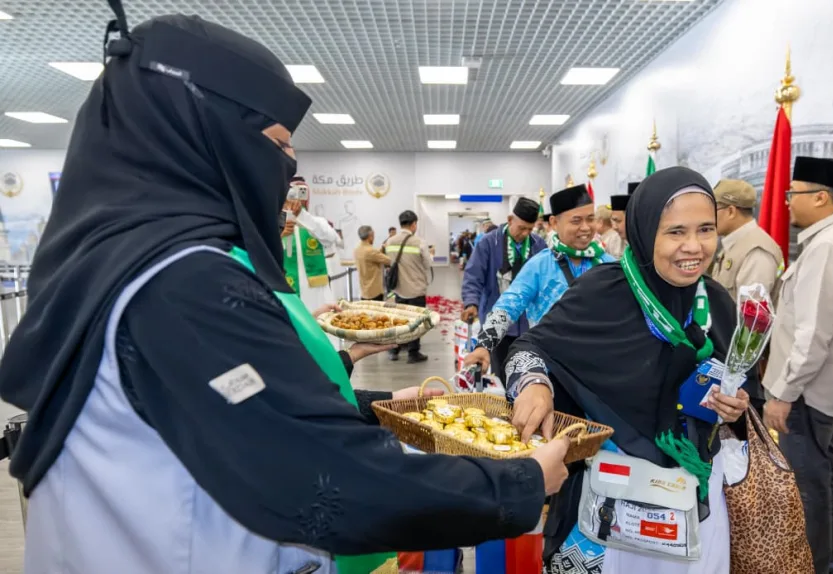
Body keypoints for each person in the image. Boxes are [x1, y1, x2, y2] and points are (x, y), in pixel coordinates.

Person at [0, 10, 571, 574]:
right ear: (208, 139)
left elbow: (239, 411)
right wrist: (518, 483)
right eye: (275, 144)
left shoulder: (124, 258)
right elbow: (321, 476)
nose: (288, 168)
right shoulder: (183, 285)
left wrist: (376, 410)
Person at [505, 167, 751, 574]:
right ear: (644, 230)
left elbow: (740, 392)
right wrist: (535, 383)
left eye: (706, 229)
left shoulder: (717, 303)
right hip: (611, 496)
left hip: (696, 498)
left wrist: (735, 407)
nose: (694, 246)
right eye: (675, 232)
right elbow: (528, 348)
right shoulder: (604, 292)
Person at [762, 156, 833, 574]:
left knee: (808, 488)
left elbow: (812, 336)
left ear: (820, 198)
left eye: (792, 193)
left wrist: (783, 395)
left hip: (810, 394)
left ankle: (813, 566)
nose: (785, 203)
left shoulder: (828, 246)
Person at [463, 185, 614, 378]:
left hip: (598, 369)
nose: (585, 227)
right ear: (554, 222)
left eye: (590, 219)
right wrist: (484, 345)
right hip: (550, 369)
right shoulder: (540, 265)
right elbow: (508, 305)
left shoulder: (608, 265)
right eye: (576, 221)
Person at [461, 198, 546, 378]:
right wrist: (471, 303)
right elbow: (474, 275)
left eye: (530, 229)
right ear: (510, 220)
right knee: (501, 371)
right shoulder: (489, 243)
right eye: (522, 228)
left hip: (529, 324)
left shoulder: (538, 245)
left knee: (528, 372)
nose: (525, 233)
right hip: (497, 321)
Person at [711, 179, 783, 300]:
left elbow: (752, 315)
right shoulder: (735, 244)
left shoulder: (756, 252)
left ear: (730, 211)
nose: (708, 217)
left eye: (712, 210)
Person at [280, 175, 341, 311]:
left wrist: (301, 215)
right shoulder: (276, 223)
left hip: (316, 290)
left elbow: (330, 237)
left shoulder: (316, 222)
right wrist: (281, 235)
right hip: (287, 286)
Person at [385, 210, 433, 363]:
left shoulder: (390, 242)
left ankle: (394, 349)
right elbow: (427, 264)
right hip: (416, 289)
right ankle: (413, 353)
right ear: (413, 224)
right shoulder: (419, 242)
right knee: (416, 321)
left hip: (399, 288)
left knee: (400, 320)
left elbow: (389, 261)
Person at [354, 225, 390, 301]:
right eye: (373, 236)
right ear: (370, 236)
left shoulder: (356, 250)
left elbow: (373, 257)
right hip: (374, 293)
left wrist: (382, 248)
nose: (374, 238)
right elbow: (389, 260)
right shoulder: (371, 251)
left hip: (364, 292)